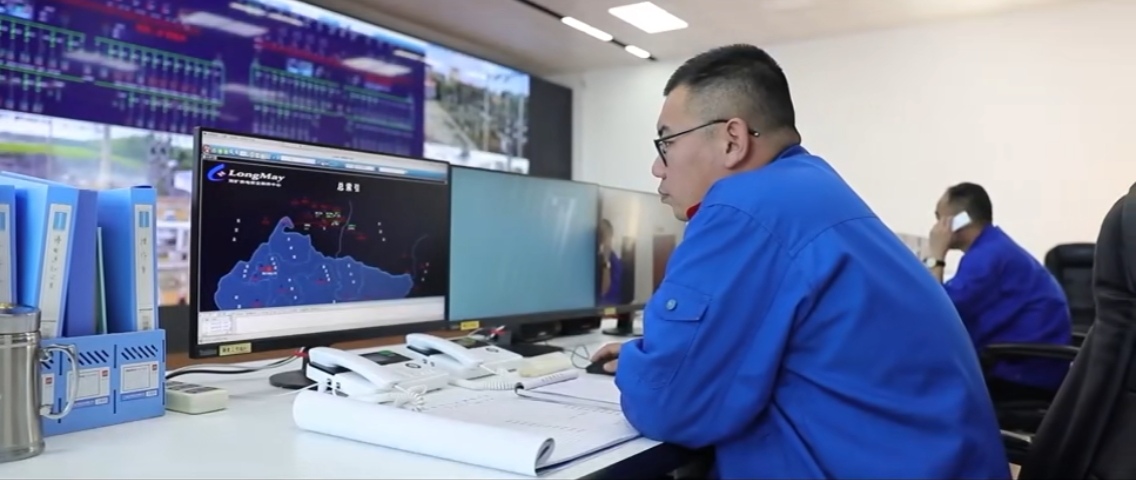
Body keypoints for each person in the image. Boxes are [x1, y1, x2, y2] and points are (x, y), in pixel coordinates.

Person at [590, 44, 1010, 479]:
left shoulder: (743, 207)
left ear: (732, 140)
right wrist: (660, 361)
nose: (657, 168)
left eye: (667, 143)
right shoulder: (814, 188)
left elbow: (670, 404)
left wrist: (643, 366)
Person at [926, 183, 1072, 402]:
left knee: (923, 381)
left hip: (1021, 375)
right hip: (1030, 366)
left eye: (939, 218)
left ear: (959, 221)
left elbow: (938, 311)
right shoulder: (994, 247)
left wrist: (936, 255)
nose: (935, 228)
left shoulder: (987, 256)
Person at [597, 218, 624, 305]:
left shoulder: (613, 260)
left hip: (609, 306)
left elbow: (605, 290)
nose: (601, 240)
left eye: (604, 236)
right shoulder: (596, 258)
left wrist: (606, 259)